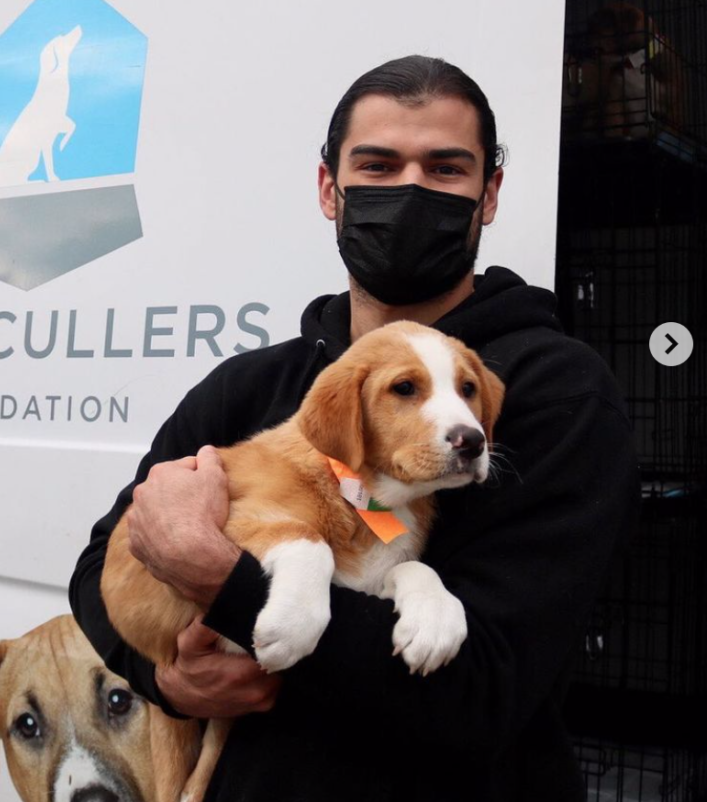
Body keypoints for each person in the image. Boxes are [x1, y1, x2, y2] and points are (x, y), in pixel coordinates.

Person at [69, 55, 640, 801]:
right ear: (329, 189)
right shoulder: (250, 389)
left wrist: (228, 583)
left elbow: (484, 694)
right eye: (377, 165)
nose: (408, 191)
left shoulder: (554, 394)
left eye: (445, 169)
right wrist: (168, 676)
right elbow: (97, 568)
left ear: (488, 194)